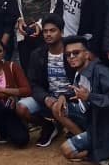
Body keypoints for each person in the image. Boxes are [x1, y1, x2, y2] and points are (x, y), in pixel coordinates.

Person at [58, 36, 109, 165]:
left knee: (66, 150)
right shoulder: (79, 72)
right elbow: (80, 92)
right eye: (68, 54)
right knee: (58, 108)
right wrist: (63, 96)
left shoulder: (102, 72)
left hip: (107, 125)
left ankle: (106, 151)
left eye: (76, 53)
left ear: (87, 54)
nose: (71, 57)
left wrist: (90, 97)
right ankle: (95, 145)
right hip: (93, 117)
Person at [16, 14, 72, 147]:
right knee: (21, 108)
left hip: (71, 99)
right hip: (48, 99)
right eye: (45, 31)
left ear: (61, 32)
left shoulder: (72, 52)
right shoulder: (37, 54)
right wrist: (45, 98)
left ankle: (73, 128)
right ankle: (49, 125)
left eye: (52, 31)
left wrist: (66, 97)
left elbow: (81, 81)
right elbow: (33, 83)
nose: (48, 34)